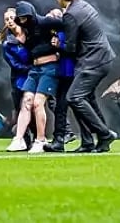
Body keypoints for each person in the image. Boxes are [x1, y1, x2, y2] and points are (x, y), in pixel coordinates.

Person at [54, 0, 118, 153]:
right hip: (103, 58)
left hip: (92, 62)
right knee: (85, 99)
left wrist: (57, 44)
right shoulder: (84, 5)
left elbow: (70, 47)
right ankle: (89, 142)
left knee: (74, 98)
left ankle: (104, 134)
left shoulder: (70, 15)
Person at [8, 0, 64, 153]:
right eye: (21, 18)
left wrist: (60, 40)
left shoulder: (46, 22)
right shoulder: (25, 31)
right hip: (35, 68)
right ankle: (18, 139)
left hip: (50, 67)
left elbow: (67, 25)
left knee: (38, 103)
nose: (24, 21)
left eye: (26, 17)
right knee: (26, 101)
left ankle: (40, 140)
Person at [0, 8, 35, 147]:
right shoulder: (7, 44)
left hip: (36, 74)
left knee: (36, 107)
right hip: (19, 79)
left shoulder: (30, 33)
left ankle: (41, 138)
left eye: (11, 18)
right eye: (6, 19)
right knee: (21, 108)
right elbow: (14, 64)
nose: (9, 21)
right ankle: (25, 141)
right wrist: (32, 67)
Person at [43, 17, 79, 152]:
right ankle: (59, 138)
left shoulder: (70, 32)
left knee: (74, 104)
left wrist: (60, 46)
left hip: (71, 73)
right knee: (59, 106)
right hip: (59, 73)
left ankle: (98, 134)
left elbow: (74, 49)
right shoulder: (54, 34)